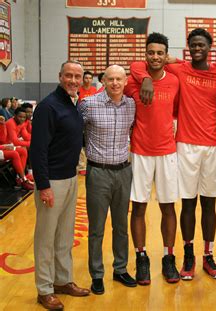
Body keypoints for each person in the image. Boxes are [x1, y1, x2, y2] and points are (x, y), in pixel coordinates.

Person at [132, 28, 216, 281]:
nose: (197, 49)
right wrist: (146, 79)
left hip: (214, 145)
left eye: (202, 45)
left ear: (209, 47)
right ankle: (187, 254)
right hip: (184, 144)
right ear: (188, 47)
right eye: (193, 45)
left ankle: (208, 254)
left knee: (209, 204)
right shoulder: (179, 69)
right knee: (187, 203)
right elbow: (142, 63)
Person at [30, 60, 90, 310]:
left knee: (64, 235)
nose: (73, 80)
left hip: (70, 178)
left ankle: (62, 280)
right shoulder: (48, 107)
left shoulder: (73, 104)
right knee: (46, 238)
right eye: (69, 76)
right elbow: (38, 149)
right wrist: (43, 185)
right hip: (51, 181)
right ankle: (44, 289)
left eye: (77, 76)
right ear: (60, 76)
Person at [125, 32, 180, 284]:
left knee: (168, 207)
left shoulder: (175, 81)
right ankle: (141, 258)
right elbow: (133, 67)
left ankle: (169, 258)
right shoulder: (132, 82)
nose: (155, 57)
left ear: (166, 55)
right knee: (138, 207)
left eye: (160, 53)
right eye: (151, 52)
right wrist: (145, 78)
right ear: (145, 55)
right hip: (140, 152)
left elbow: (177, 110)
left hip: (167, 151)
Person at [79, 65, 137, 295]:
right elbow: (74, 133)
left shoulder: (132, 105)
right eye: (110, 79)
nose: (114, 83)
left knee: (121, 226)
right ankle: (97, 274)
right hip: (98, 173)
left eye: (119, 79)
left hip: (124, 171)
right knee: (96, 228)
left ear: (125, 82)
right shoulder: (88, 104)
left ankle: (120, 268)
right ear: (103, 80)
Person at [0, 115, 33, 190]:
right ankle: (24, 179)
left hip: (3, 146)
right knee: (14, 153)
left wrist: (2, 125)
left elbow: (2, 139)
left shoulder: (25, 122)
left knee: (22, 151)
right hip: (3, 147)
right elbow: (13, 141)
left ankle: (20, 178)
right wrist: (4, 147)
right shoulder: (11, 123)